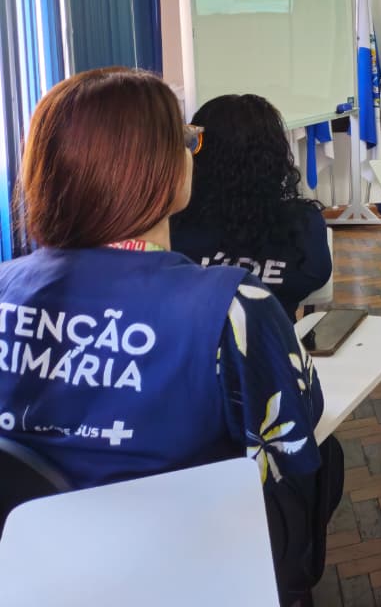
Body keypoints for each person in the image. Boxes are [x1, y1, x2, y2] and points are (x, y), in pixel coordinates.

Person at [0, 68, 340, 603]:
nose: (192, 152)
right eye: (186, 139)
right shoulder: (233, 307)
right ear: (154, 169)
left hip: (28, 577)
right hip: (182, 574)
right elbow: (295, 437)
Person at [171, 93, 332, 323]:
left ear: (199, 154)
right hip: (273, 352)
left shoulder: (174, 223)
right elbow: (314, 277)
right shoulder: (303, 223)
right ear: (275, 154)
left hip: (191, 352)